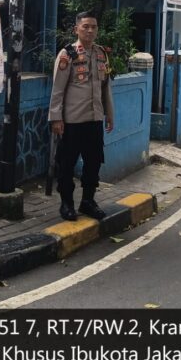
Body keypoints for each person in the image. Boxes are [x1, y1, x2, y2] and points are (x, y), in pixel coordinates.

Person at [48, 12, 114, 221]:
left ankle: (88, 201)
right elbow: (57, 90)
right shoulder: (67, 55)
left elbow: (106, 89)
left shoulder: (102, 54)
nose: (90, 30)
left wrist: (109, 115)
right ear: (76, 29)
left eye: (93, 27)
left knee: (93, 162)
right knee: (67, 164)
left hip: (94, 120)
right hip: (72, 121)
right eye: (85, 26)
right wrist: (56, 118)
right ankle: (67, 203)